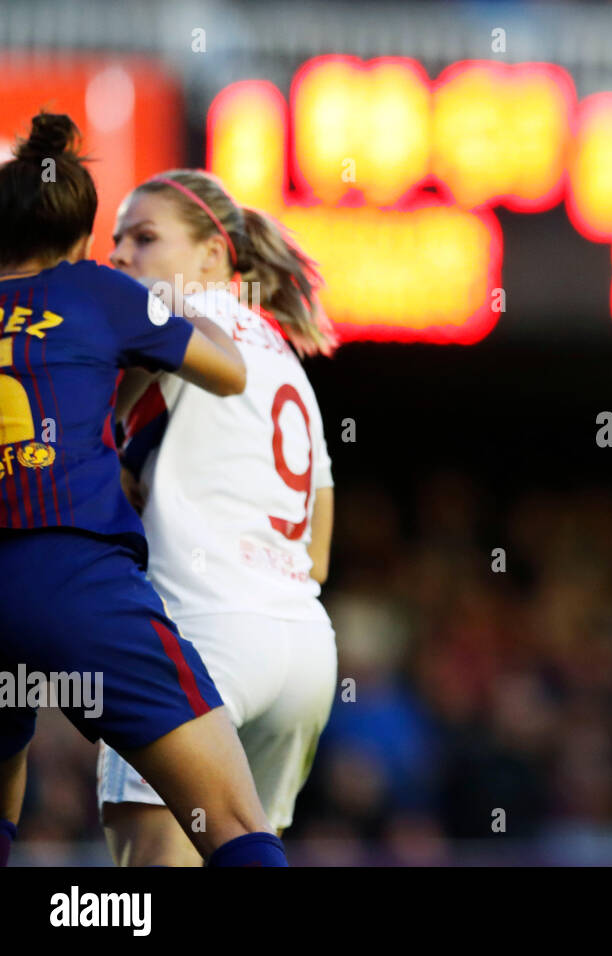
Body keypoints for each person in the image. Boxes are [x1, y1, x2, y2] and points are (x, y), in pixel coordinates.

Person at [0, 112, 287, 867]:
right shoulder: (97, 291)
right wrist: (168, 306)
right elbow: (227, 370)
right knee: (231, 821)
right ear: (83, 237)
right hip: (75, 580)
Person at [98, 168, 338, 866]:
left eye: (144, 238)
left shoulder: (171, 322)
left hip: (200, 637)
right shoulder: (286, 361)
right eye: (117, 242)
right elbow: (319, 555)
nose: (120, 256)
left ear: (213, 255)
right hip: (302, 647)